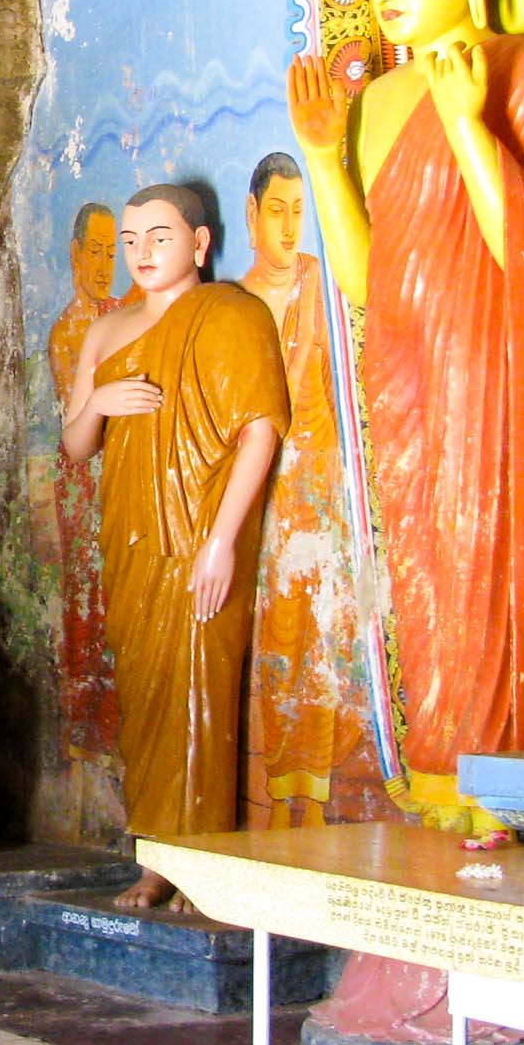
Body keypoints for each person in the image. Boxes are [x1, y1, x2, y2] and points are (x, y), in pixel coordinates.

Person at [285, 0, 524, 827]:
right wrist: (322, 159)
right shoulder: (378, 100)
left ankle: (512, 770)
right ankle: (436, 761)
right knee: (422, 561)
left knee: (489, 544)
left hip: (497, 359)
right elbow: (366, 281)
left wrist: (468, 123)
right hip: (405, 359)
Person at [62, 183, 287, 906]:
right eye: (130, 241)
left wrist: (221, 542)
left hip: (199, 534)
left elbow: (261, 428)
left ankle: (205, 862)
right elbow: (74, 447)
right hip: (129, 538)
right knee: (148, 691)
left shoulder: (230, 314)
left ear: (199, 243)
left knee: (201, 691)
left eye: (160, 237)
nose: (142, 253)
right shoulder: (106, 332)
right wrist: (96, 401)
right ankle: (157, 855)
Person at [237, 152, 374, 827]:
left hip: (320, 491)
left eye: (300, 209)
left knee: (324, 637)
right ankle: (275, 796)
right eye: (278, 210)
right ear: (251, 214)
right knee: (277, 643)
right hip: (261, 495)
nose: (291, 226)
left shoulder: (325, 284)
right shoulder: (234, 304)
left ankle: (315, 801)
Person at [49, 203, 131, 766]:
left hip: (122, 478)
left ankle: (119, 725)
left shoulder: (125, 312)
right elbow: (79, 426)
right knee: (88, 607)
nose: (104, 264)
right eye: (94, 251)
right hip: (85, 483)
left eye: (111, 251)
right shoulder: (67, 333)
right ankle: (86, 732)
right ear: (76, 253)